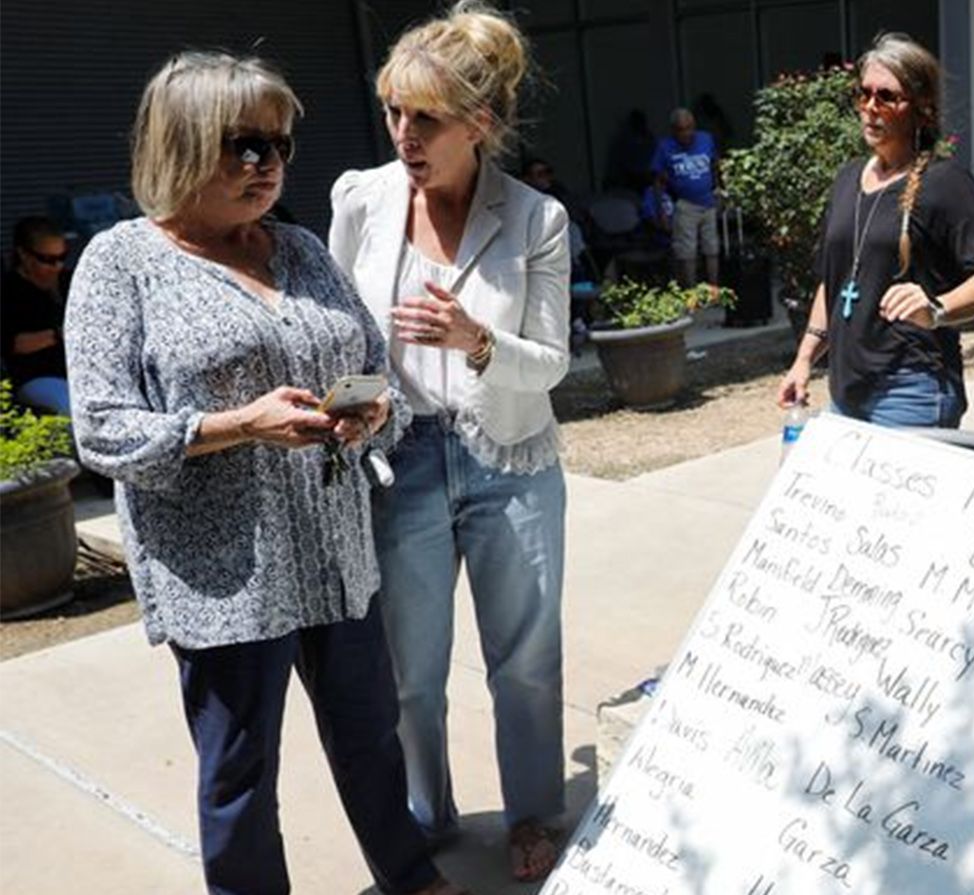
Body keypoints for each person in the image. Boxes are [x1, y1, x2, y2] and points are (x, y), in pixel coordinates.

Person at [63, 51, 462, 895]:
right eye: (244, 146)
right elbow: (100, 430)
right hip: (224, 574)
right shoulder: (119, 262)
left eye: (279, 145)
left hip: (334, 548)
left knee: (369, 734)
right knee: (240, 768)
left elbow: (370, 359)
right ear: (181, 145)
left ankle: (410, 875)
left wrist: (373, 406)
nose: (269, 165)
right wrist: (238, 424)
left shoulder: (301, 246)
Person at [328, 2, 572, 882]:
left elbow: (548, 364)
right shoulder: (361, 198)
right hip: (402, 465)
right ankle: (423, 815)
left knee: (526, 661)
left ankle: (535, 812)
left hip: (510, 459)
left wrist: (476, 339)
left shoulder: (536, 218)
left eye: (425, 117)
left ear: (482, 123)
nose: (404, 134)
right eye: (395, 111)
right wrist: (356, 402)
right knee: (409, 672)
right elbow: (342, 335)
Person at [774, 33, 974, 429]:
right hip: (847, 389)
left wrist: (936, 309)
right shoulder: (848, 179)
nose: (870, 108)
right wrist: (805, 359)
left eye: (886, 97)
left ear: (922, 109)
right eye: (863, 95)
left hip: (911, 390)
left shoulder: (945, 183)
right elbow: (834, 282)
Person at [2, 216, 70, 413]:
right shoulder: (8, 291)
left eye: (62, 257)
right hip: (37, 377)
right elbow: (11, 344)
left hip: (83, 373)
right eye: (47, 260)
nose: (57, 266)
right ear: (24, 255)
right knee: (69, 407)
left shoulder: (69, 281)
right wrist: (58, 335)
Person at [652, 108, 722, 286]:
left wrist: (719, 190)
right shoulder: (665, 147)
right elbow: (658, 182)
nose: (687, 134)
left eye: (690, 128)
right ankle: (691, 291)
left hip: (708, 201)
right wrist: (661, 211)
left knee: (712, 247)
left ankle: (714, 289)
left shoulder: (706, 139)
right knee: (687, 251)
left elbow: (715, 166)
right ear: (674, 131)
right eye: (682, 130)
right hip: (684, 203)